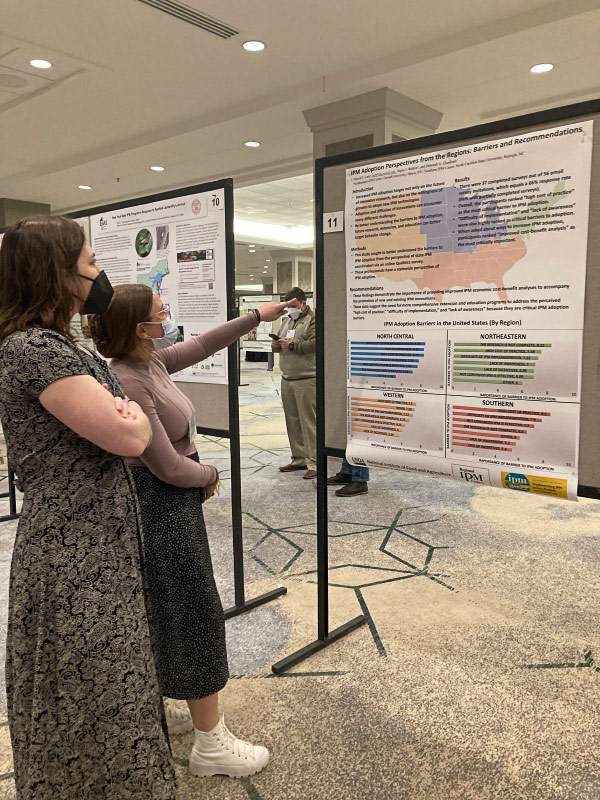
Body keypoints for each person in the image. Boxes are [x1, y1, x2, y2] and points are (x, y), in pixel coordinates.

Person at [0, 216, 176, 799]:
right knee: (91, 684)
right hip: (73, 551)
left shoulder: (62, 344)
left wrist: (122, 411)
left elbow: (125, 414)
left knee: (113, 677)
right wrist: (124, 414)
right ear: (58, 272)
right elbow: (130, 437)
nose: (99, 274)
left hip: (100, 538)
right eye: (91, 262)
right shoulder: (33, 350)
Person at [87, 287, 294, 778]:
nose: (169, 318)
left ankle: (170, 701)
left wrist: (254, 317)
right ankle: (211, 743)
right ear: (141, 329)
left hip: (171, 502)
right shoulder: (129, 379)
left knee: (166, 602)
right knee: (194, 608)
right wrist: (210, 476)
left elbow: (202, 345)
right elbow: (166, 466)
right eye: (162, 313)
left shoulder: (149, 361)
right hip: (163, 503)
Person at [271, 287, 317, 479]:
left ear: (303, 303)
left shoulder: (313, 320)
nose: (291, 310)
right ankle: (298, 458)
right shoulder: (287, 321)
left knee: (309, 422)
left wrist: (290, 345)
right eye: (288, 306)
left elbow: (314, 344)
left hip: (306, 379)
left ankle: (314, 462)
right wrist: (275, 346)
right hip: (287, 377)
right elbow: (280, 344)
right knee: (293, 421)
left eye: (294, 306)